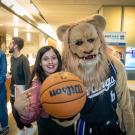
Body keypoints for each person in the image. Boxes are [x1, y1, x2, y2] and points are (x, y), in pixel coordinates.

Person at [14, 46, 76, 135]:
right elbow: (33, 114)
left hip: (68, 124)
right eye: (45, 59)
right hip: (49, 126)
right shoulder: (37, 83)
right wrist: (23, 112)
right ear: (40, 62)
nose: (50, 62)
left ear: (58, 60)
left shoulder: (66, 76)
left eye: (54, 58)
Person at [8, 37, 36, 135]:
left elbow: (28, 78)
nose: (9, 45)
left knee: (20, 113)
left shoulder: (24, 60)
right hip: (12, 89)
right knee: (14, 114)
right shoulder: (12, 58)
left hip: (21, 90)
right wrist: (9, 74)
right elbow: (13, 71)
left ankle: (29, 127)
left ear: (15, 46)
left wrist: (26, 94)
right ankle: (21, 129)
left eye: (11, 43)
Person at [0, 48, 9, 135]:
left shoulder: (1, 55)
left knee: (1, 109)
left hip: (0, 88)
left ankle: (5, 127)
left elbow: (3, 73)